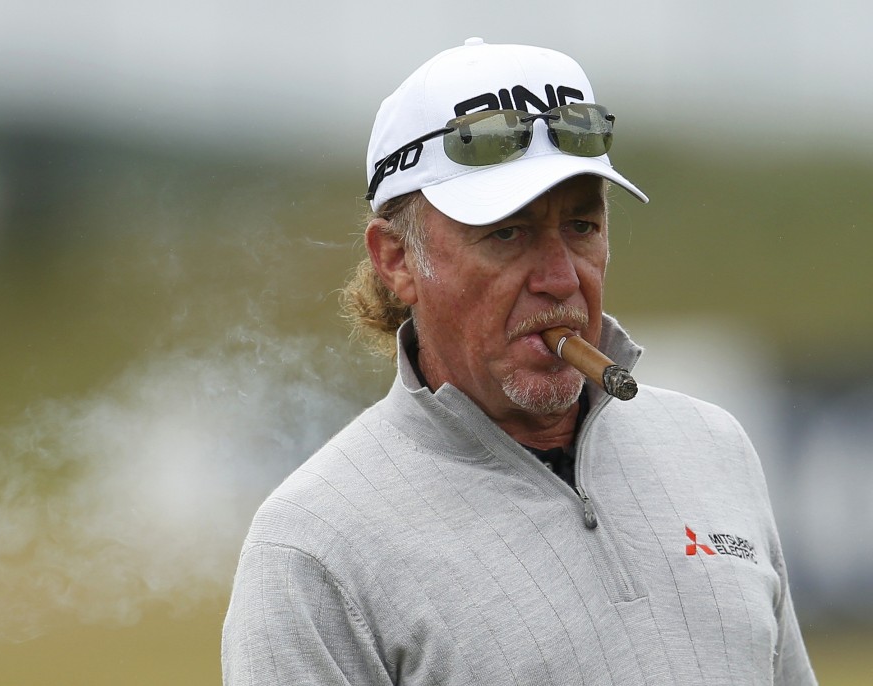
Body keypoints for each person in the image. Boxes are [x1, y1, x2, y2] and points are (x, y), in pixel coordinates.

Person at [221, 37, 816, 685]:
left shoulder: (713, 448)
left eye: (582, 227)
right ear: (395, 260)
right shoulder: (313, 547)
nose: (560, 278)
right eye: (507, 232)